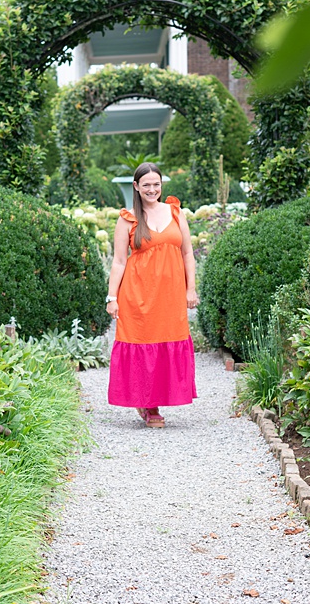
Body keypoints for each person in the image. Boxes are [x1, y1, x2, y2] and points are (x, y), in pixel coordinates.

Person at [105, 162, 198, 428]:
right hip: (138, 295)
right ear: (136, 186)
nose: (152, 189)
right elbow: (119, 261)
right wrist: (112, 297)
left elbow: (188, 253)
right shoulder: (128, 219)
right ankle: (149, 405)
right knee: (142, 342)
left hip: (170, 295)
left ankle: (155, 399)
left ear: (161, 185)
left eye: (156, 184)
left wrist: (190, 288)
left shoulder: (175, 212)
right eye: (146, 185)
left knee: (168, 340)